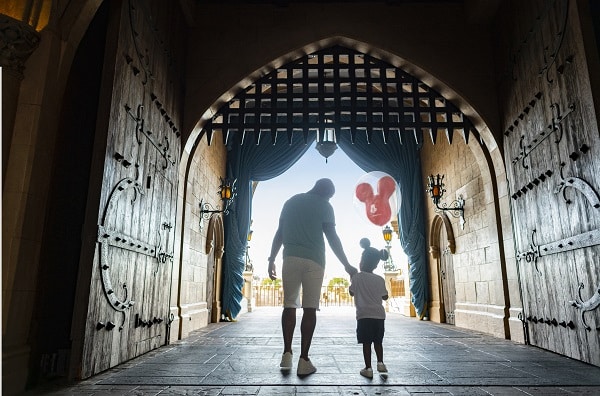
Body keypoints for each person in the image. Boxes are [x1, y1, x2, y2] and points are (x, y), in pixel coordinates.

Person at [268, 178, 358, 377]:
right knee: (310, 309)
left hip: (289, 258)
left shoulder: (290, 202)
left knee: (289, 305)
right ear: (327, 194)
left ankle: (286, 354)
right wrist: (347, 265)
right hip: (315, 261)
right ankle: (304, 360)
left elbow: (279, 233)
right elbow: (332, 238)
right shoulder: (325, 206)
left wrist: (271, 259)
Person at [348, 238, 389, 379]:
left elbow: (351, 292)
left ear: (362, 262)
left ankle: (368, 368)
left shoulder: (357, 277)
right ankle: (381, 363)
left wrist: (351, 278)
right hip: (379, 316)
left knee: (366, 343)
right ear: (376, 264)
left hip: (364, 315)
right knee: (378, 342)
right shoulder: (379, 279)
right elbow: (385, 297)